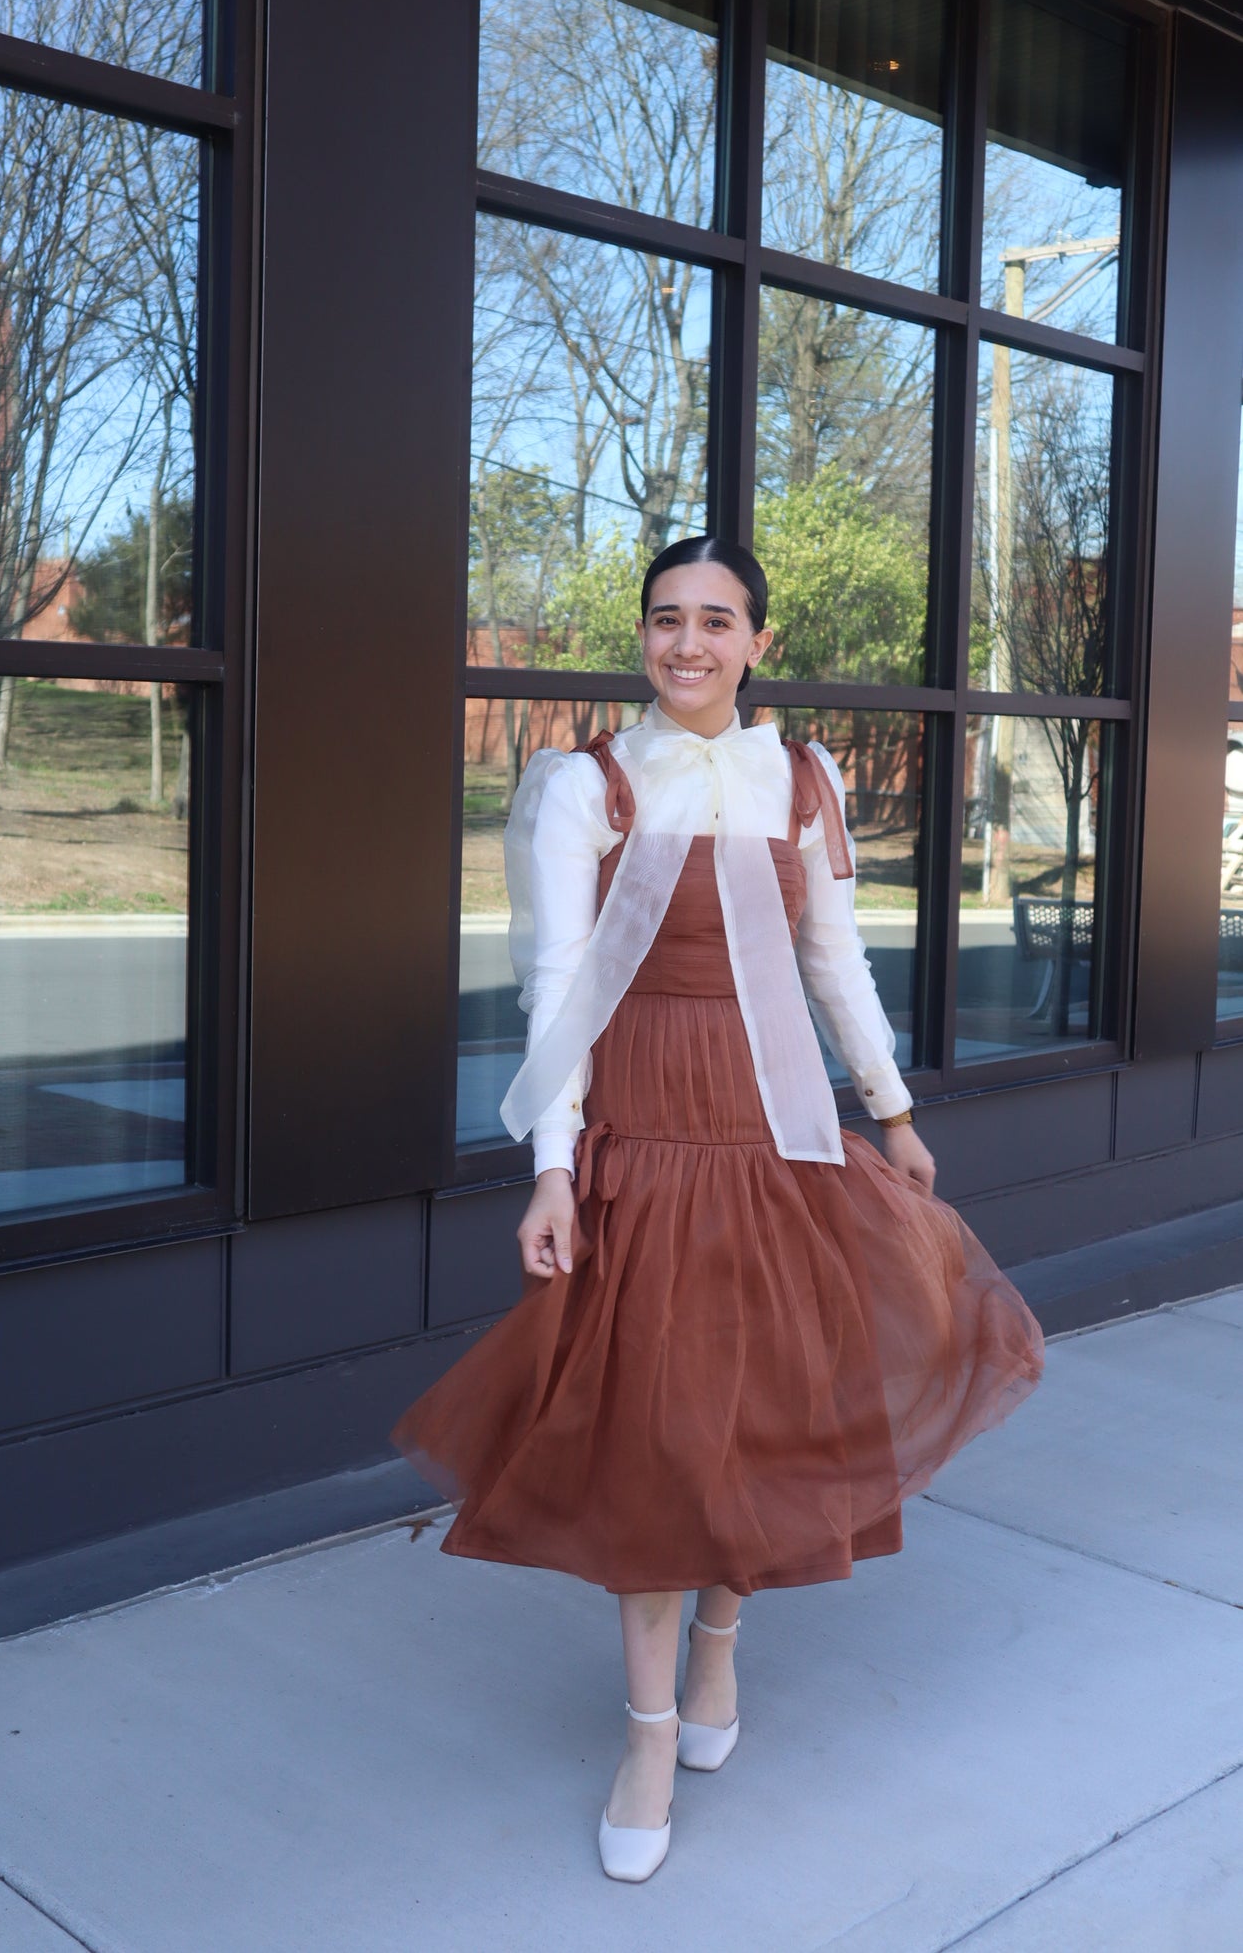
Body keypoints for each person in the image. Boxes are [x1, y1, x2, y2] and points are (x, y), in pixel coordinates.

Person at [393, 536, 1044, 1883]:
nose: (685, 641)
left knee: (762, 1415)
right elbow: (554, 988)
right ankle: (643, 1734)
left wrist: (895, 1110)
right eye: (664, 618)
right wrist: (556, 1168)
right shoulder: (584, 784)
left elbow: (830, 963)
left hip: (782, 1134)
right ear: (643, 634)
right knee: (652, 1437)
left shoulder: (800, 777)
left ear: (757, 637)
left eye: (715, 619)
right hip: (645, 1135)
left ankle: (718, 1652)